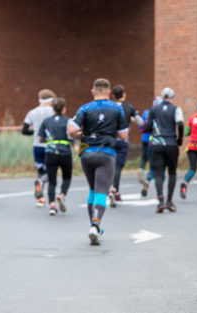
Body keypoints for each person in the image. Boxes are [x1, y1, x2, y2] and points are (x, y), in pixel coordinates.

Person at [67, 78, 128, 245]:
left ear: (92, 91)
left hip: (87, 153)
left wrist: (80, 135)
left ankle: (94, 227)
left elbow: (71, 129)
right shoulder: (117, 109)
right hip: (106, 153)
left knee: (93, 190)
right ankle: (95, 224)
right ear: (109, 92)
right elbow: (124, 135)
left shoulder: (84, 108)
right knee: (102, 190)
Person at [145, 87, 184, 213]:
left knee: (158, 174)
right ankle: (170, 202)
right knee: (172, 173)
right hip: (171, 143)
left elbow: (148, 126)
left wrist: (154, 133)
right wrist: (180, 139)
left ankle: (160, 201)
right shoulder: (176, 109)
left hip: (157, 143)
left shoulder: (154, 109)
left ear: (162, 97)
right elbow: (181, 124)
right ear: (172, 97)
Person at [38, 98, 77, 216]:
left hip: (50, 153)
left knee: (52, 181)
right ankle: (62, 195)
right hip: (65, 152)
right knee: (67, 177)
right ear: (64, 109)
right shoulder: (68, 121)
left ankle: (52, 206)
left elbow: (40, 138)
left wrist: (49, 140)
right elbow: (72, 137)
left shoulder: (46, 121)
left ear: (53, 109)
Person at [22, 89, 57, 207]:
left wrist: (36, 132)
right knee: (50, 172)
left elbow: (24, 130)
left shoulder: (32, 112)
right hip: (50, 145)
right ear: (51, 100)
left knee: (40, 171)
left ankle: (41, 199)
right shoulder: (53, 111)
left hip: (36, 145)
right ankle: (41, 183)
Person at [109, 85, 143, 204]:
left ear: (113, 96)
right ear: (124, 95)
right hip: (123, 141)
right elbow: (141, 122)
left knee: (110, 165)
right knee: (118, 167)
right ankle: (114, 190)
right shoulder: (129, 107)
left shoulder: (110, 106)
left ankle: (115, 191)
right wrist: (132, 119)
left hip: (110, 139)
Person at [140, 97, 163, 197]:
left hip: (150, 142)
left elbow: (143, 128)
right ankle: (159, 193)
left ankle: (147, 181)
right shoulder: (164, 116)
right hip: (161, 143)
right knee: (161, 169)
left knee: (152, 166)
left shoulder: (148, 114)